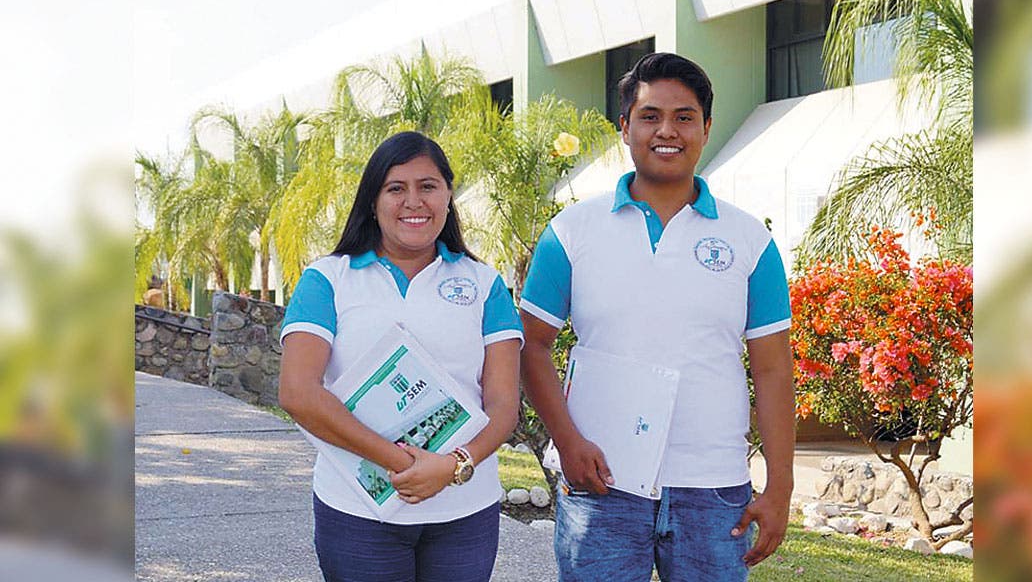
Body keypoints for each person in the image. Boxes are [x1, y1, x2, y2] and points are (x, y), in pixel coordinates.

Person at [519, 53, 795, 582]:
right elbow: (531, 345)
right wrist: (568, 442)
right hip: (601, 482)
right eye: (650, 116)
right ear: (625, 127)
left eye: (684, 117)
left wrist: (780, 484)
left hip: (713, 490)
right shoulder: (570, 232)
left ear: (706, 128)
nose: (667, 131)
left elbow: (773, 368)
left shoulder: (750, 241)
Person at [278, 131, 522, 582]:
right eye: (396, 188)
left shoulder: (485, 284)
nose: (414, 201)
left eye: (428, 186)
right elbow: (298, 393)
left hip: (464, 512)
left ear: (448, 195)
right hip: (357, 511)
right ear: (373, 201)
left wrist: (454, 466)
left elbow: (504, 405)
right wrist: (403, 463)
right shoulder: (327, 279)